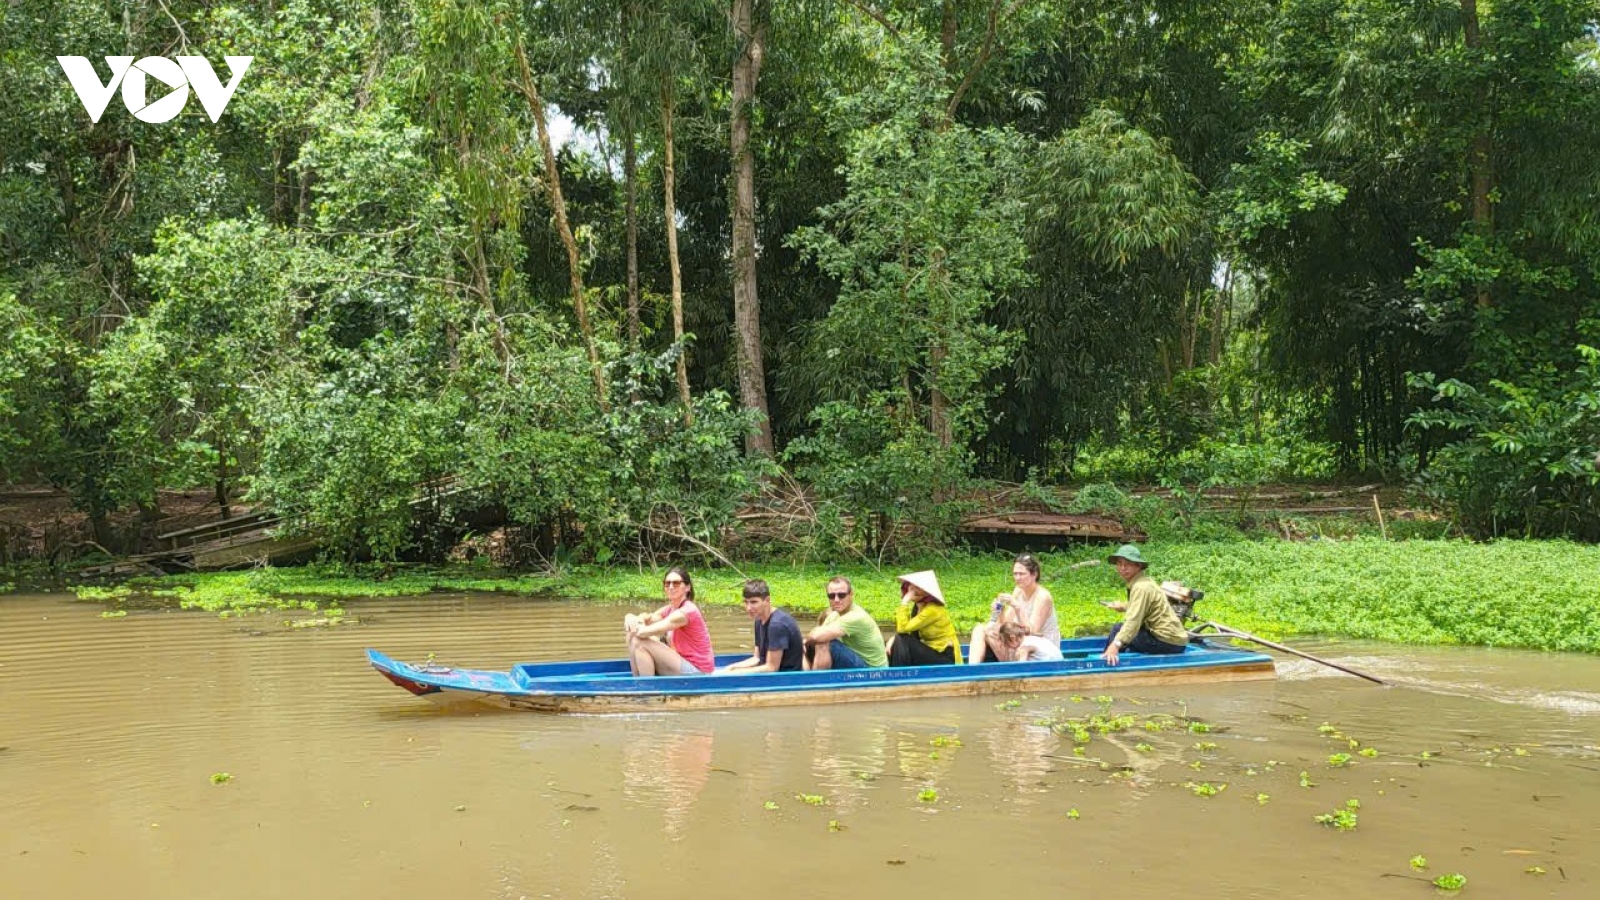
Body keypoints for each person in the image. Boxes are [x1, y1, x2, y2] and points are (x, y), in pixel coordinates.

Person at [1101, 544, 1189, 666]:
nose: (1123, 568)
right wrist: (1122, 606)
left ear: (1139, 566)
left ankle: (1107, 661)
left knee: (1118, 630)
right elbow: (1141, 606)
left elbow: (1133, 621)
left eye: (1128, 564)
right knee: (1123, 633)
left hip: (1167, 642)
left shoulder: (1140, 587)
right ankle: (1115, 658)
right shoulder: (1144, 581)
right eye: (1120, 563)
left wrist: (1115, 645)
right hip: (1173, 639)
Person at [969, 553, 1060, 663]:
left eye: (1021, 574)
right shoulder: (1018, 590)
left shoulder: (1043, 597)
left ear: (1034, 574)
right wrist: (1000, 611)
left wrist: (1017, 607)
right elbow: (1006, 626)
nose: (1017, 578)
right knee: (980, 629)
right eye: (1015, 574)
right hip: (1018, 642)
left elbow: (1032, 632)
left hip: (1037, 652)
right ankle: (972, 669)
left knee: (995, 634)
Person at [624, 566, 715, 676]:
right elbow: (648, 617)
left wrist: (635, 622)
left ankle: (646, 688)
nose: (671, 587)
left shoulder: (687, 611)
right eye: (667, 584)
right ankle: (638, 681)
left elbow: (643, 632)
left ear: (687, 587)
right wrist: (630, 617)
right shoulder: (670, 609)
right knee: (632, 634)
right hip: (680, 663)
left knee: (638, 640)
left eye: (676, 583)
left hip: (698, 671)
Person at [720, 579, 805, 673]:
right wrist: (731, 667)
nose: (748, 608)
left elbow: (772, 668)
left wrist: (737, 673)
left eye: (753, 602)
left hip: (785, 678)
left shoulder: (777, 625)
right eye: (745, 602)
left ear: (767, 600)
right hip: (770, 673)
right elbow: (757, 658)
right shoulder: (759, 620)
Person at [804, 576, 888, 670]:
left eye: (841, 595)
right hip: (855, 661)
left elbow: (817, 636)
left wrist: (804, 642)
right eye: (831, 596)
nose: (836, 600)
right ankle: (806, 678)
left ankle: (818, 682)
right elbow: (814, 636)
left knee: (823, 642)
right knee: (809, 645)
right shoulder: (834, 616)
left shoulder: (857, 617)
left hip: (873, 672)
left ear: (851, 594)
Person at [885, 570, 962, 666]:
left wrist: (905, 602)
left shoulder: (933, 610)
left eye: (917, 587)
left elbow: (902, 629)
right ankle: (896, 675)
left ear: (927, 593)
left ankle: (899, 677)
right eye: (911, 585)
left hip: (945, 657)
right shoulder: (918, 607)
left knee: (902, 639)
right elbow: (910, 634)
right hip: (931, 651)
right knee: (898, 642)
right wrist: (894, 639)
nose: (912, 590)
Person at [995, 622, 1063, 662]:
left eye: (1005, 643)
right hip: (1060, 667)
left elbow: (1021, 668)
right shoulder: (1033, 638)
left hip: (1051, 672)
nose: (1006, 647)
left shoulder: (1024, 647)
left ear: (1012, 638)